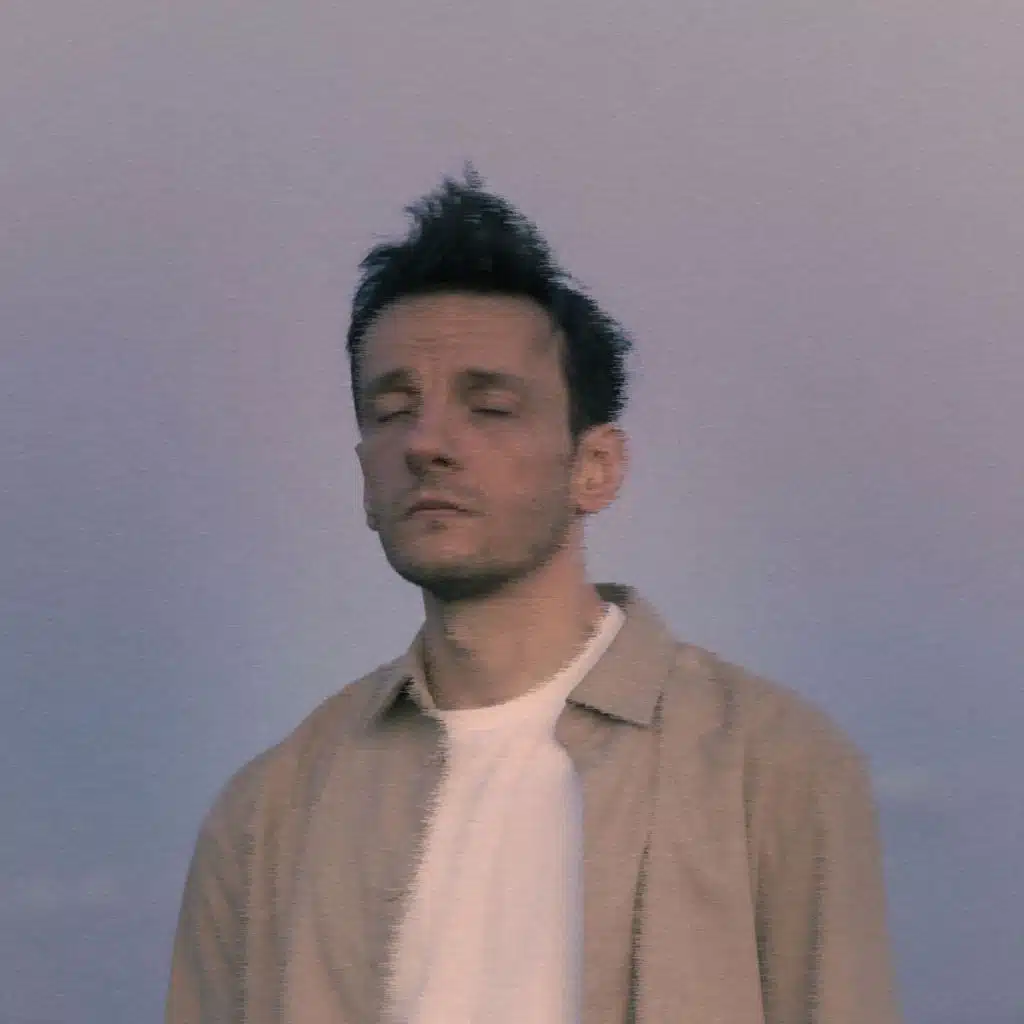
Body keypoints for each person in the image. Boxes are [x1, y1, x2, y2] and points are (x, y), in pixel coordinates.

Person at [165, 168, 902, 1024]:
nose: (426, 443)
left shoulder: (771, 765)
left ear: (596, 467)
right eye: (392, 409)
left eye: (489, 407)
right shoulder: (268, 815)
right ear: (364, 471)